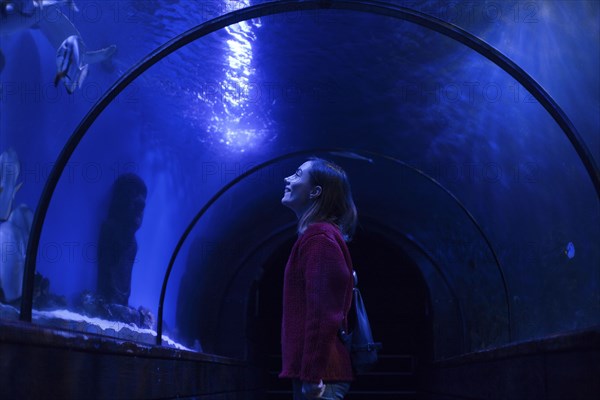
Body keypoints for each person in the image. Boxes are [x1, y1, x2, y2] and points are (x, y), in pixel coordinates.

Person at [279, 158, 357, 400]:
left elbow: (323, 313)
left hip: (322, 378)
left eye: (297, 174)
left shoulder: (319, 239)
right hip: (319, 373)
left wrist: (312, 374)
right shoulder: (318, 237)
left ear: (315, 191)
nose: (287, 179)